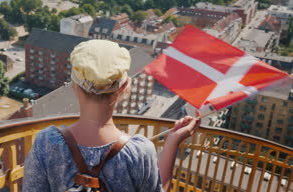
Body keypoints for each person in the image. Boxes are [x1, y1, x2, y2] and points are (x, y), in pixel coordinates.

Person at [23, 40, 200, 192]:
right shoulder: (139, 153)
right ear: (124, 88)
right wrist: (173, 141)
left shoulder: (46, 143)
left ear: (74, 87)